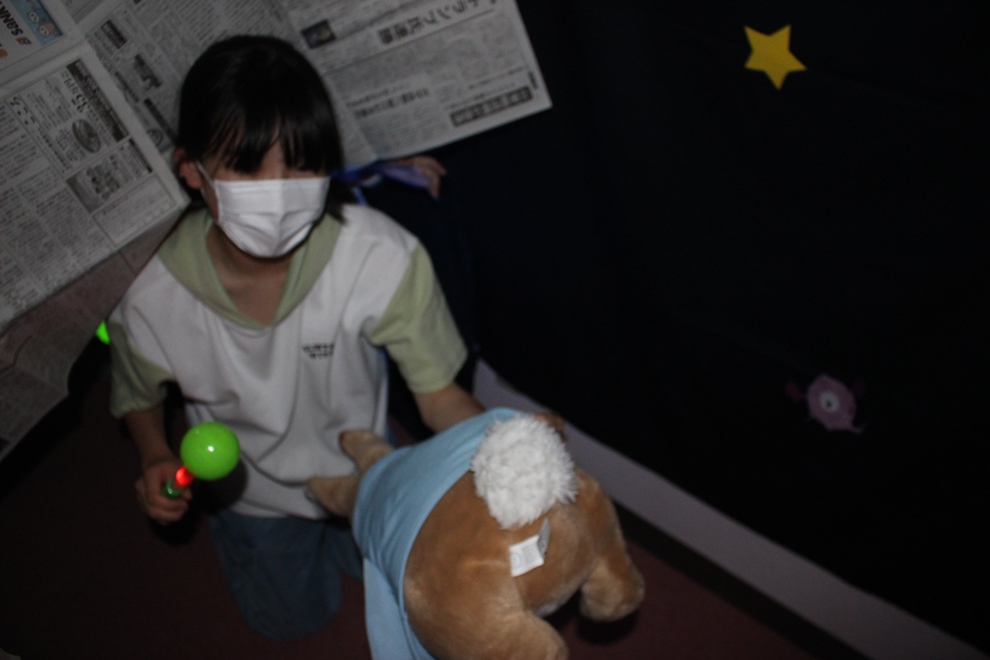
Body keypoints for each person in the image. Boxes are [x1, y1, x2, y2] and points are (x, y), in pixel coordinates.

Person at [106, 35, 484, 640]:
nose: (278, 190)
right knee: (295, 621)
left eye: (302, 163)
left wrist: (501, 451)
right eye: (247, 164)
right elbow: (136, 392)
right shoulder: (149, 294)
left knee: (393, 576)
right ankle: (237, 538)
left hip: (367, 461)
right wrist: (154, 453)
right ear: (191, 169)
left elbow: (440, 397)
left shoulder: (380, 254)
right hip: (251, 493)